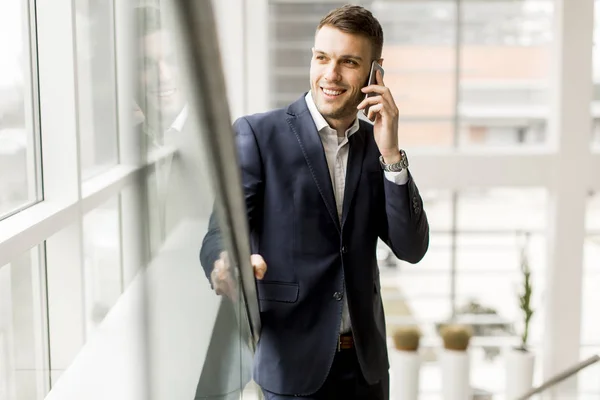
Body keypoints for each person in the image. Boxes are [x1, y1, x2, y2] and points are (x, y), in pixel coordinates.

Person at [200, 5, 429, 400]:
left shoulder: (376, 148)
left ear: (376, 72)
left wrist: (391, 152)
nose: (331, 74)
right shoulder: (258, 135)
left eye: (349, 62)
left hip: (365, 371)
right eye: (322, 57)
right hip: (292, 369)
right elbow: (221, 231)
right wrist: (226, 265)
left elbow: (411, 248)